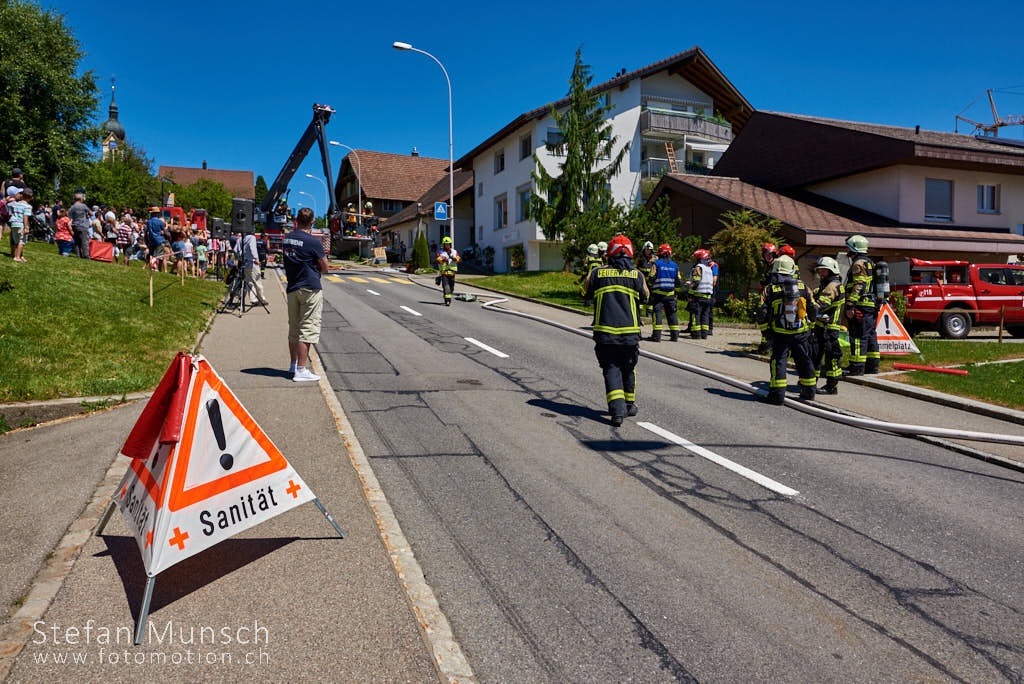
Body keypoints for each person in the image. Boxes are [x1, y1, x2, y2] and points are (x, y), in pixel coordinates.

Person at [584, 235, 648, 427]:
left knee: (611, 369)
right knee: (628, 368)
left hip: (606, 334)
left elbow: (585, 290)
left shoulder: (597, 273)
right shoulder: (637, 274)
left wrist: (595, 271)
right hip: (630, 334)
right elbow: (646, 296)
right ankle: (629, 405)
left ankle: (617, 410)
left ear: (609, 253)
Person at [759, 255, 817, 404]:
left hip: (780, 334)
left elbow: (762, 312)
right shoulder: (804, 287)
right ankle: (809, 392)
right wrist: (811, 327)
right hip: (801, 334)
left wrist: (766, 333)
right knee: (804, 361)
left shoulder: (769, 289)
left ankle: (777, 396)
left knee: (779, 362)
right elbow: (813, 308)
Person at [284, 207, 328, 382]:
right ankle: (301, 370)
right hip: (310, 288)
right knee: (307, 329)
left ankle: (293, 365)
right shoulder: (313, 242)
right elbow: (324, 267)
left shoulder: (287, 239)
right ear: (311, 222)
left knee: (294, 329)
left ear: (296, 220)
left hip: (292, 287)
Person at [843, 234, 879, 375]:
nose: (847, 250)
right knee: (870, 335)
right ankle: (872, 366)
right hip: (871, 305)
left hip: (861, 305)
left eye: (848, 247)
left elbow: (859, 284)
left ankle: (857, 367)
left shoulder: (858, 263)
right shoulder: (870, 262)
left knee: (858, 336)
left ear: (854, 248)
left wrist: (851, 304)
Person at [811, 256, 844, 395]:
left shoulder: (832, 286)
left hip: (829, 328)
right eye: (820, 270)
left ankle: (831, 386)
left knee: (831, 358)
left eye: (824, 271)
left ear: (832, 271)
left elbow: (821, 304)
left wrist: (808, 308)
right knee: (816, 355)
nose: (821, 273)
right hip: (822, 327)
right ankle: (811, 382)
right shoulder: (825, 285)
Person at [647, 244, 682, 342]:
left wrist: (650, 285)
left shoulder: (656, 264)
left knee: (657, 314)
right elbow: (679, 281)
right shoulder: (675, 265)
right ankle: (675, 336)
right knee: (672, 315)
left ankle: (656, 337)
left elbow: (651, 278)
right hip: (670, 295)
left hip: (658, 295)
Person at [756, 243, 779, 353]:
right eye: (766, 255)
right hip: (769, 296)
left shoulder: (776, 265)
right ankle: (765, 345)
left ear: (774, 254)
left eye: (770, 254)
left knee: (767, 319)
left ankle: (768, 345)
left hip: (774, 297)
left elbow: (773, 280)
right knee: (765, 320)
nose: (768, 257)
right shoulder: (769, 266)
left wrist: (763, 283)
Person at [688, 249, 714, 339]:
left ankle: (696, 334)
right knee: (705, 316)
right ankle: (704, 334)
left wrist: (690, 294)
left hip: (698, 297)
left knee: (696, 315)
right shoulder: (709, 269)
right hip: (708, 297)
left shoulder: (698, 268)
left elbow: (696, 282)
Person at [235, 230, 267, 304]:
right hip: (252, 262)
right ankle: (262, 299)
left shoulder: (240, 238)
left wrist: (239, 259)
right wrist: (256, 258)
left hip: (244, 263)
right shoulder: (252, 238)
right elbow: (253, 248)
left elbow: (235, 250)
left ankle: (253, 299)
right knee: (257, 281)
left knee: (249, 282)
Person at [7, 187, 32, 262]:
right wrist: (26, 227)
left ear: (22, 195)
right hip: (21, 225)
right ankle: (17, 257)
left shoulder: (15, 204)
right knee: (21, 241)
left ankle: (18, 255)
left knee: (16, 241)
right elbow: (25, 217)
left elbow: (8, 204)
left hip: (14, 224)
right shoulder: (28, 206)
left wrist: (10, 198)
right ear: (31, 198)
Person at [435, 236, 461, 306]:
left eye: (448, 244)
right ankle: (447, 300)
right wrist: (443, 259)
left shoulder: (454, 251)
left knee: (451, 288)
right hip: (444, 273)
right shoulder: (440, 252)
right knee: (446, 287)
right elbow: (437, 260)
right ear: (443, 244)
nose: (447, 245)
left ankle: (447, 295)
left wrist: (455, 259)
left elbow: (459, 259)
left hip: (452, 273)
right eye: (446, 244)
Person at [69, 193, 91, 259]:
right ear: (81, 199)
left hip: (74, 225)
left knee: (77, 242)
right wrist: (87, 215)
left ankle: (78, 255)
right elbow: (91, 213)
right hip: (83, 225)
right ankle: (86, 256)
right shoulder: (83, 206)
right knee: (84, 241)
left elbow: (70, 216)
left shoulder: (72, 207)